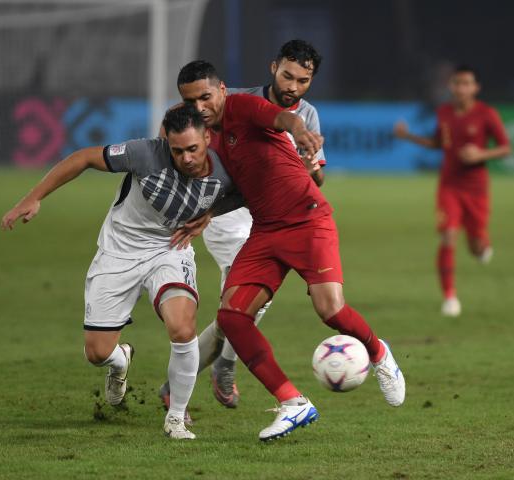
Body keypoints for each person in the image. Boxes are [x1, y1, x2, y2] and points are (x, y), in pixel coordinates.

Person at [174, 61, 405, 442]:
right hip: (266, 231)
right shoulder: (209, 138)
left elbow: (282, 118)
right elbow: (245, 189)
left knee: (330, 310)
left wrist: (301, 130)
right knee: (232, 317)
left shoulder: (242, 108)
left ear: (222, 90)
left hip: (308, 219)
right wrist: (208, 215)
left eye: (205, 96)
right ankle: (293, 403)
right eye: (190, 100)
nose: (199, 106)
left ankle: (378, 353)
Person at [1, 104, 242, 439]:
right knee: (97, 352)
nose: (186, 157)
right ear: (166, 143)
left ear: (207, 137)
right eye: (177, 150)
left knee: (182, 326)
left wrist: (212, 213)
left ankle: (175, 418)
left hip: (170, 250)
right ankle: (120, 361)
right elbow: (84, 157)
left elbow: (249, 194)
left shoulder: (227, 169)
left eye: (192, 149)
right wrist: (34, 197)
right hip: (119, 250)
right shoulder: (143, 153)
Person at [158, 40, 327, 415]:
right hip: (229, 210)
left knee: (242, 310)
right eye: (287, 75)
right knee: (243, 307)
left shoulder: (310, 116)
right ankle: (219, 366)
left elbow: (317, 182)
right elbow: (181, 116)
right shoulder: (233, 99)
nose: (292, 86)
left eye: (303, 80)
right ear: (273, 68)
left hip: (274, 213)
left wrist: (311, 170)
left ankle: (188, 378)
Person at [393, 65, 511, 317]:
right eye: (457, 83)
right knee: (448, 237)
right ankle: (449, 296)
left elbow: (505, 147)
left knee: (476, 245)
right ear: (451, 86)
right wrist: (408, 136)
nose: (461, 88)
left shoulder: (486, 114)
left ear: (476, 87)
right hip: (449, 185)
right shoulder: (444, 112)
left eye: (467, 83)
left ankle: (482, 245)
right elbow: (438, 143)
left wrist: (481, 153)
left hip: (477, 188)